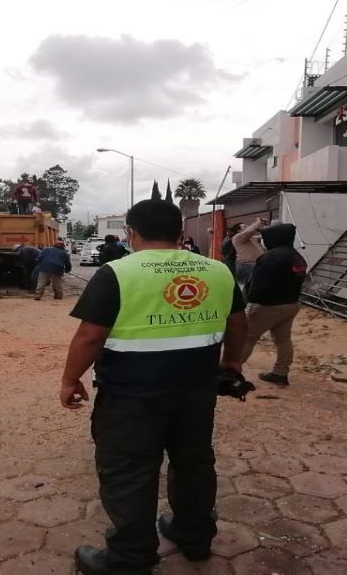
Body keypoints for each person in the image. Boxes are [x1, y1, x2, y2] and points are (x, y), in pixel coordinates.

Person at [59, 199, 248, 575]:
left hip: (131, 396)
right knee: (193, 462)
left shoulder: (117, 272)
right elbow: (239, 324)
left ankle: (129, 559)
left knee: (129, 472)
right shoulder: (218, 271)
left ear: (130, 233)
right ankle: (194, 537)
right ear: (181, 232)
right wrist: (231, 362)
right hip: (196, 392)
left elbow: (90, 337)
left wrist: (69, 379)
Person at [240, 223, 307, 386]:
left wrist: (250, 302)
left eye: (265, 237)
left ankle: (230, 371)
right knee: (283, 339)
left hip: (267, 306)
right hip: (291, 304)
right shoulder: (297, 256)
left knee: (247, 338)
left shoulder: (270, 257)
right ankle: (280, 373)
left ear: (274, 238)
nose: (263, 241)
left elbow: (258, 285)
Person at [232, 218, 268, 290]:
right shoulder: (237, 237)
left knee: (258, 286)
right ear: (239, 231)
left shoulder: (252, 238)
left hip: (256, 264)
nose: (248, 227)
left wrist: (264, 225)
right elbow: (250, 230)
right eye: (245, 227)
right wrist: (258, 221)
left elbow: (266, 234)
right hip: (247, 266)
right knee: (250, 287)